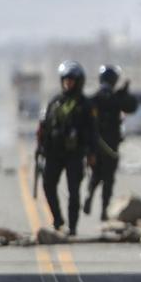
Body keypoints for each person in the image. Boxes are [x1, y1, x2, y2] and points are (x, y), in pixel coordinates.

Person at [38, 61, 96, 236]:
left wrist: (91, 153)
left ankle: (72, 226)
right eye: (65, 80)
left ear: (78, 82)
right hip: (54, 153)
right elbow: (46, 125)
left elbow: (92, 131)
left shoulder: (85, 104)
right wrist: (41, 146)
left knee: (73, 191)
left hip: (74, 154)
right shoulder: (55, 101)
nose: (68, 83)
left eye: (71, 80)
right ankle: (57, 219)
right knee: (48, 185)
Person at [84, 64, 137, 221]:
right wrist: (123, 94)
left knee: (96, 176)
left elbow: (131, 106)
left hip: (96, 146)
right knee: (108, 179)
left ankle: (90, 196)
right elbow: (130, 106)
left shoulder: (95, 98)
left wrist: (124, 93)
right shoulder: (114, 98)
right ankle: (103, 209)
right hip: (110, 147)